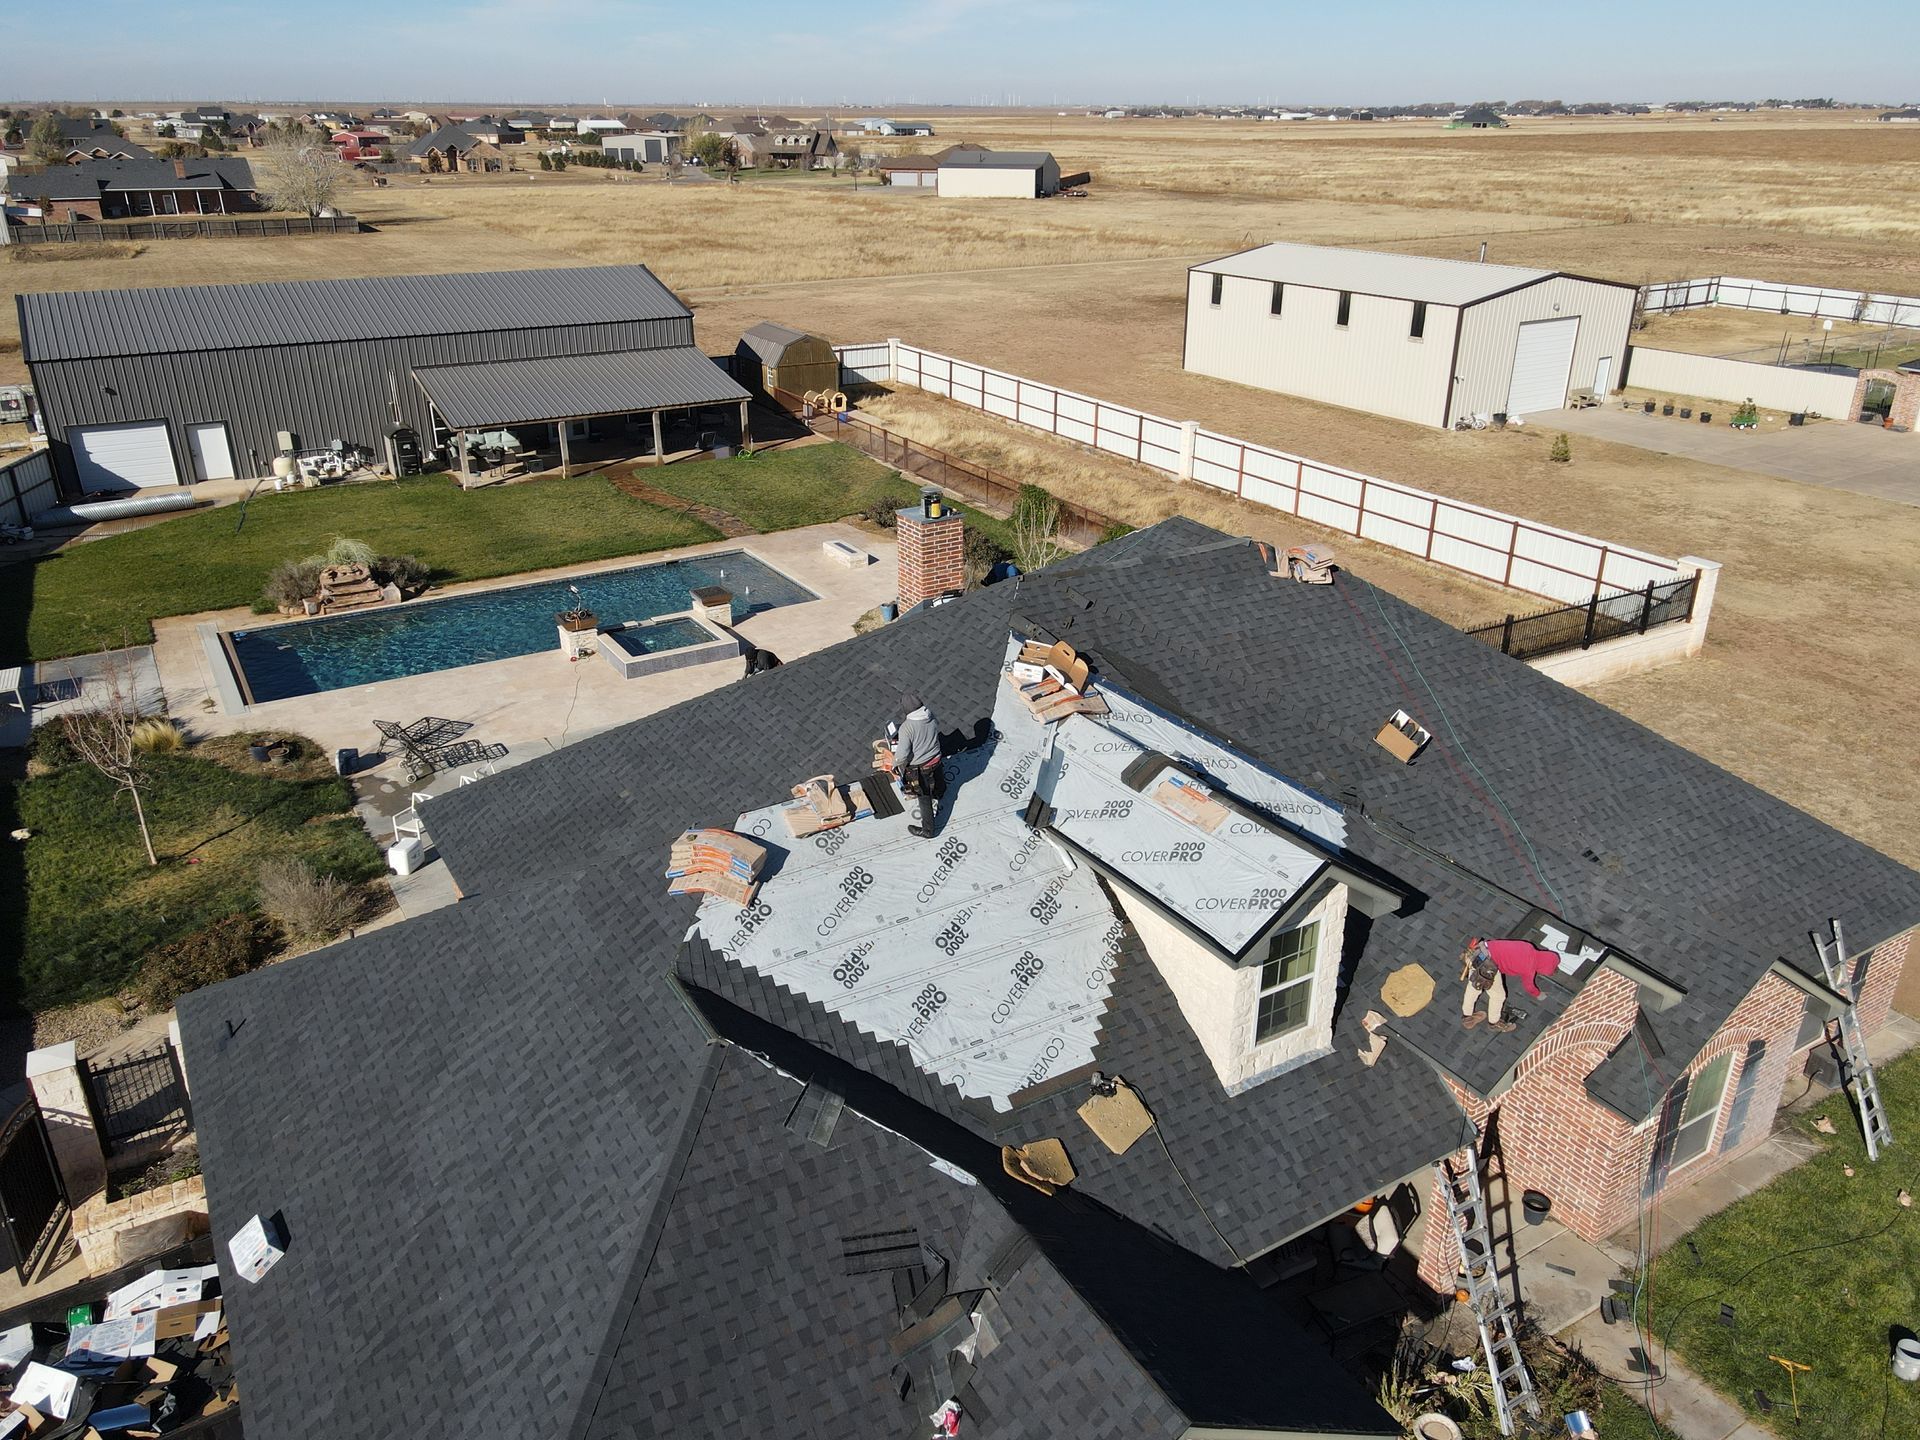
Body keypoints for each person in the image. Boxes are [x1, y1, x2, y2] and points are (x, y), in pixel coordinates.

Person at [1459, 937, 1561, 1032]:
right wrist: (1539, 995)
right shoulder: (1529, 969)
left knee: (1473, 987)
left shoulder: (1528, 946)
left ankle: (1467, 1018)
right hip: (1488, 966)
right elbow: (1529, 987)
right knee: (1498, 996)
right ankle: (1494, 1023)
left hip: (1477, 951)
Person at [895, 691, 946, 838]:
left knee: (924, 797)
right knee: (938, 776)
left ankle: (928, 831)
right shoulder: (930, 715)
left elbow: (902, 755)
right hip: (936, 757)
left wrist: (896, 765)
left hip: (921, 767)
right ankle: (940, 791)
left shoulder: (907, 727)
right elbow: (936, 727)